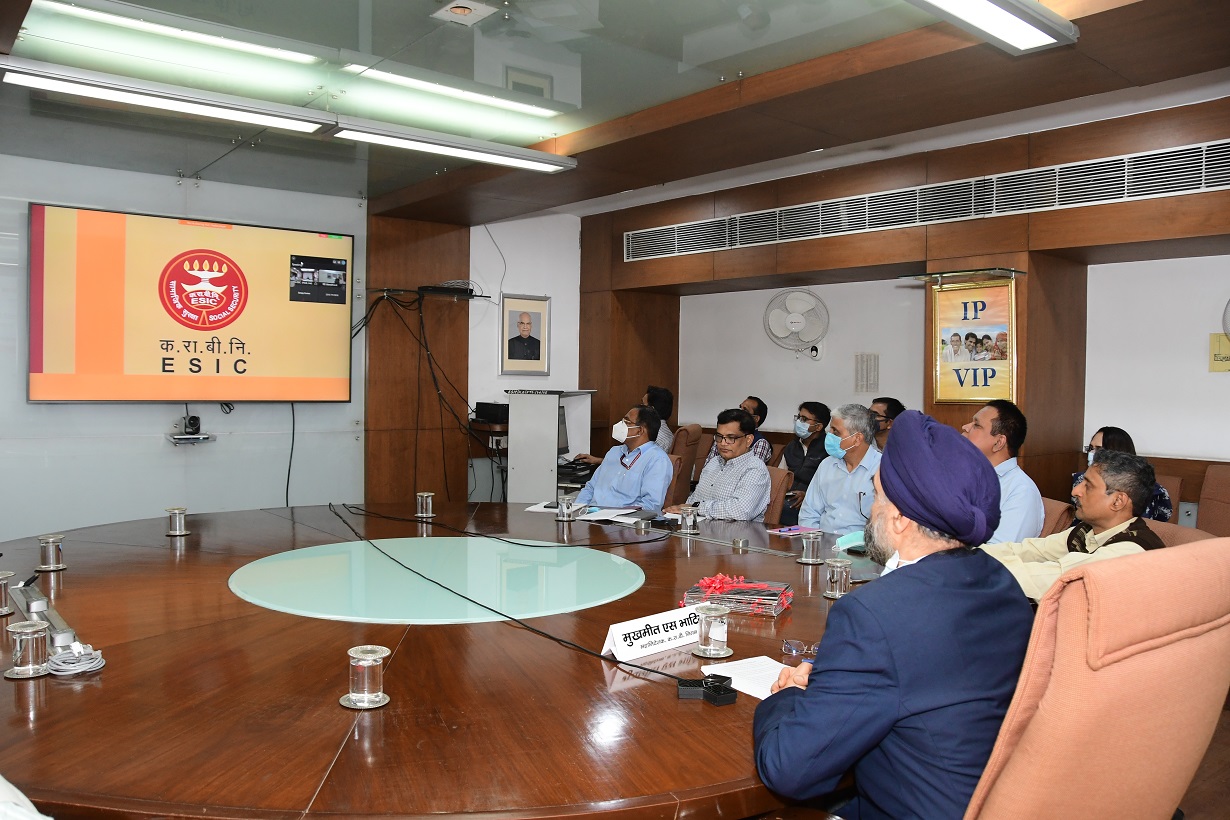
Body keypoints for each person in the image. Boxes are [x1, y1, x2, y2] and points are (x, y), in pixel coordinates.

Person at [754, 410, 1033, 819]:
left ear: (900, 518)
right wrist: (838, 679)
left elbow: (788, 770)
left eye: (876, 496)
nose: (871, 511)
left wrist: (787, 696)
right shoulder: (1003, 585)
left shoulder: (872, 615)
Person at [983, 449, 1164, 600]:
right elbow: (1032, 550)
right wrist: (972, 553)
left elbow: (1053, 579)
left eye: (1088, 486)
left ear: (1117, 501)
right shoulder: (1088, 530)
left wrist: (975, 567)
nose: (1075, 491)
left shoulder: (1128, 552)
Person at [961, 399, 1043, 544]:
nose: (965, 427)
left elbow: (997, 552)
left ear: (999, 443)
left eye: (977, 425)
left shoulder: (1021, 491)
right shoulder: (965, 476)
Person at [667, 408, 770, 521]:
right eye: (719, 437)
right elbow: (693, 500)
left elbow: (740, 511)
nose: (723, 443)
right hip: (700, 527)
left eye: (731, 438)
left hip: (736, 531)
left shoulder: (755, 469)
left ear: (749, 440)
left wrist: (696, 508)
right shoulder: (713, 463)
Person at [797, 404, 879, 535]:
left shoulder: (882, 469)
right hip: (822, 541)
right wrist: (813, 541)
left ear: (857, 439)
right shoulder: (827, 465)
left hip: (861, 545)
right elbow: (809, 513)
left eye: (836, 432)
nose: (829, 435)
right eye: (830, 429)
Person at [573, 406, 673, 512]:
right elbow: (590, 488)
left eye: (626, 421)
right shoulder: (614, 452)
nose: (620, 425)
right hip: (590, 516)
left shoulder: (657, 460)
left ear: (640, 430)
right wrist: (576, 510)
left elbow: (650, 505)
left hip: (622, 520)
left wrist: (613, 514)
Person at [1072, 426, 1171, 522]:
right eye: (1090, 448)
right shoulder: (1080, 479)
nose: (1092, 453)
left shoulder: (1152, 491)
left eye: (1099, 449)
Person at [779, 402, 831, 527]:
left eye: (804, 419)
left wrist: (807, 495)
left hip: (815, 500)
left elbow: (832, 485)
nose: (799, 422)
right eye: (798, 417)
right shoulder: (792, 446)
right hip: (790, 496)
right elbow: (781, 475)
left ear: (818, 427)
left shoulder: (829, 449)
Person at [703, 396, 774, 466]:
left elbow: (753, 467)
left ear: (756, 418)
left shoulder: (760, 442)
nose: (740, 412)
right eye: (740, 408)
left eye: (745, 410)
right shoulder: (722, 436)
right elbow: (708, 465)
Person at [644, 385, 675, 453]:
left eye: (643, 404)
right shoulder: (667, 432)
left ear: (651, 410)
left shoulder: (655, 438)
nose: (639, 408)